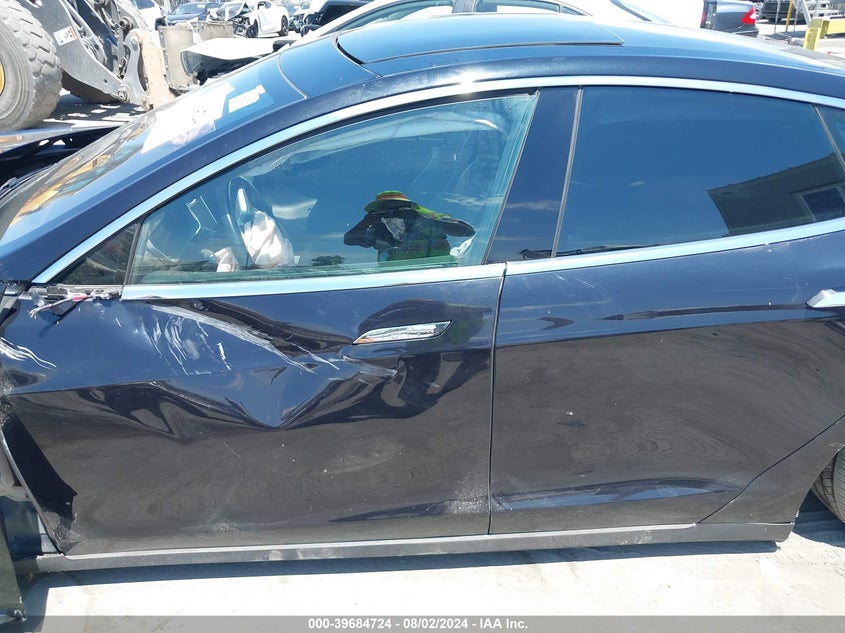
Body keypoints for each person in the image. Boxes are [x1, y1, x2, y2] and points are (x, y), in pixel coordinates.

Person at [344, 190, 475, 262]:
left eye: (398, 209)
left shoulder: (432, 218)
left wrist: (422, 220)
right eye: (385, 210)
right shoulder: (378, 229)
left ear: (410, 208)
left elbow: (467, 231)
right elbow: (349, 240)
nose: (393, 213)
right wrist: (366, 221)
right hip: (393, 281)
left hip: (439, 276)